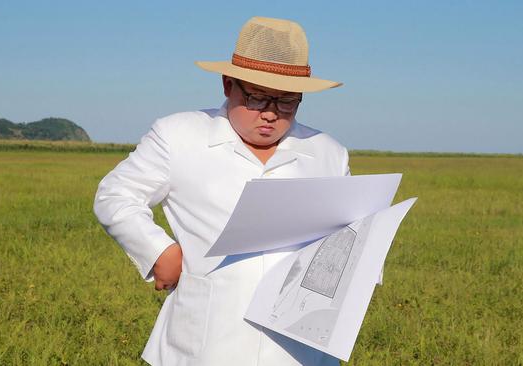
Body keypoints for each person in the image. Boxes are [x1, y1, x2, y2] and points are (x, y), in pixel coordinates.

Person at [94, 16, 349, 366]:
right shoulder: (179, 135)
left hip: (299, 348)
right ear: (228, 85)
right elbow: (115, 194)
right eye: (258, 98)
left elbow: (348, 237)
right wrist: (158, 250)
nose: (271, 114)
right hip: (205, 342)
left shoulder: (328, 152)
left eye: (287, 101)